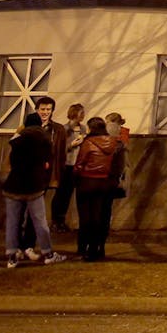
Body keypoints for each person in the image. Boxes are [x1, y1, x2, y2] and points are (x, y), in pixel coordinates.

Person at [1, 113, 66, 267]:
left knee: (12, 222)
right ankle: (48, 253)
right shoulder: (44, 141)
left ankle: (12, 256)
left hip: (13, 185)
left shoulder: (15, 141)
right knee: (40, 222)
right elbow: (47, 164)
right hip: (33, 186)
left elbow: (11, 161)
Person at [74, 117, 126, 262]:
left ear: (91, 129)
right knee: (100, 217)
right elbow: (118, 165)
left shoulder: (88, 143)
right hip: (105, 184)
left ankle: (82, 249)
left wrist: (75, 177)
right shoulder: (115, 144)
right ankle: (97, 248)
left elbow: (80, 163)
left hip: (86, 182)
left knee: (85, 217)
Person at [35, 97, 70, 233]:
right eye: (42, 109)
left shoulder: (58, 129)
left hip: (48, 171)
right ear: (37, 110)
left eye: (48, 109)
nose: (45, 112)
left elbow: (61, 152)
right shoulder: (29, 126)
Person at [54, 104, 86, 237]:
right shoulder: (64, 129)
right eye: (81, 113)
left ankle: (68, 221)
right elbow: (59, 148)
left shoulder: (83, 128)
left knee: (73, 193)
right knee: (62, 193)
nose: (83, 115)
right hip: (67, 164)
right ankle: (57, 221)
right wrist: (71, 145)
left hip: (78, 164)